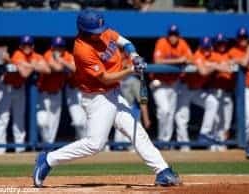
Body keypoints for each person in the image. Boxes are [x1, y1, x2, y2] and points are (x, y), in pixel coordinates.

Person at [33, 9, 180, 188]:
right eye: (96, 32)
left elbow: (125, 42)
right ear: (84, 31)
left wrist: (134, 56)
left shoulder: (103, 31)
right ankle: (48, 159)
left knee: (136, 131)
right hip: (97, 98)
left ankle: (162, 171)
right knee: (95, 144)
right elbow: (104, 78)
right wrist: (130, 70)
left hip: (114, 94)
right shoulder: (82, 49)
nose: (100, 33)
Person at [0, 35, 50, 154]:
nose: (27, 47)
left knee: (19, 120)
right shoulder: (17, 54)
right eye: (24, 45)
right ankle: (0, 150)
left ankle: (19, 150)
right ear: (20, 46)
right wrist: (34, 65)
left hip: (20, 88)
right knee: (2, 119)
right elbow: (24, 73)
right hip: (6, 87)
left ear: (33, 46)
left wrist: (30, 65)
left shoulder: (36, 56)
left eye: (29, 45)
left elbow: (47, 69)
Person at [151, 24, 192, 151]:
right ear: (168, 35)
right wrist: (179, 60)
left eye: (175, 35)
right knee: (164, 110)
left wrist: (183, 59)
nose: (173, 37)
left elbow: (190, 59)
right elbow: (158, 61)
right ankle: (162, 140)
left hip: (173, 83)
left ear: (178, 35)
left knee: (170, 113)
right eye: (171, 35)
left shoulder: (182, 43)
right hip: (159, 82)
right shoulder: (161, 42)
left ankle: (166, 142)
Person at [175, 37, 220, 147]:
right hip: (184, 87)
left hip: (197, 90)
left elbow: (227, 66)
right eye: (204, 48)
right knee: (183, 116)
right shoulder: (197, 55)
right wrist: (214, 66)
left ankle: (204, 133)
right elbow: (203, 72)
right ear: (200, 47)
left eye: (208, 48)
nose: (206, 50)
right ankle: (184, 145)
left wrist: (214, 64)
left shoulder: (213, 56)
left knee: (213, 102)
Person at [228, 27, 249, 159]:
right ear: (237, 39)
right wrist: (247, 52)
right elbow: (243, 61)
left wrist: (246, 64)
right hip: (244, 90)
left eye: (245, 38)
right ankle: (246, 147)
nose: (243, 40)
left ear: (248, 38)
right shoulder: (234, 50)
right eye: (241, 38)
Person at [36, 36, 75, 144]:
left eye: (61, 47)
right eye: (56, 47)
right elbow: (56, 68)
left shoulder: (67, 55)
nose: (58, 50)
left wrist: (61, 60)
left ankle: (48, 148)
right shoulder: (48, 54)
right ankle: (46, 144)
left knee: (53, 126)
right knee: (42, 122)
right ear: (52, 47)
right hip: (43, 94)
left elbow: (75, 68)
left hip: (57, 94)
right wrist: (63, 64)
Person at [114, 54, 151, 151]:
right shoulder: (113, 78)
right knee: (118, 145)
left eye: (125, 60)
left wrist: (146, 118)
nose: (123, 63)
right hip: (116, 111)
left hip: (131, 113)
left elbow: (142, 101)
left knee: (135, 146)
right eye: (122, 60)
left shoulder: (134, 80)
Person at [210, 33, 234, 151]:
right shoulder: (212, 54)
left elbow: (236, 62)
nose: (222, 45)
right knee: (216, 120)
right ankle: (213, 147)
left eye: (223, 43)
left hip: (228, 92)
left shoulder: (229, 54)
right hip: (215, 91)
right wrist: (221, 66)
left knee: (226, 123)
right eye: (219, 43)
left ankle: (223, 147)